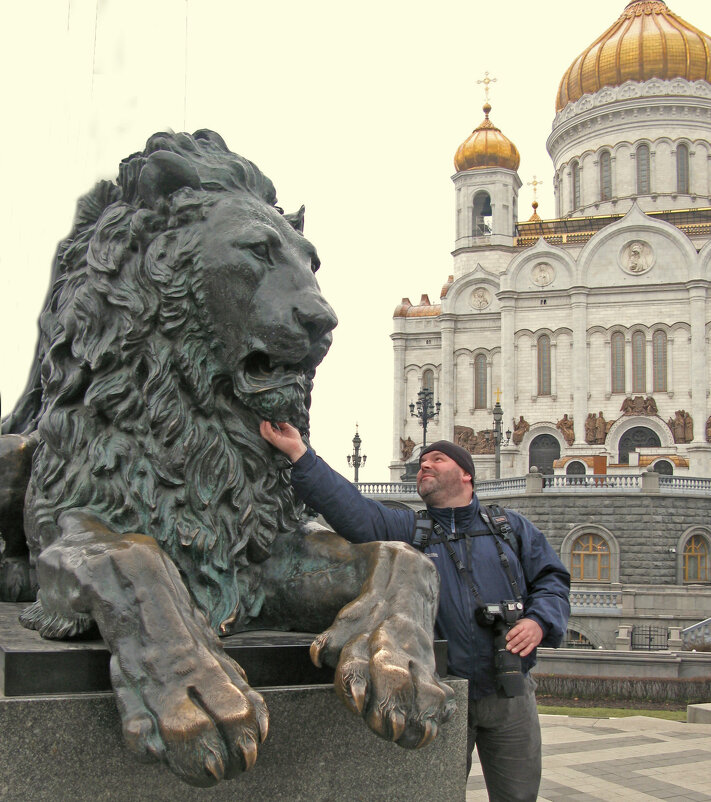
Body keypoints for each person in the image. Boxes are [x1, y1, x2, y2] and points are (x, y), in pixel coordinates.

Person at [260, 421, 570, 802]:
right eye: (422, 462)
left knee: (519, 795)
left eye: (437, 459)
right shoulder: (411, 529)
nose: (425, 465)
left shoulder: (509, 527)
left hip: (511, 693)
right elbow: (353, 510)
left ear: (466, 474)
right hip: (445, 689)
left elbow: (552, 579)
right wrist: (299, 454)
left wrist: (539, 621)